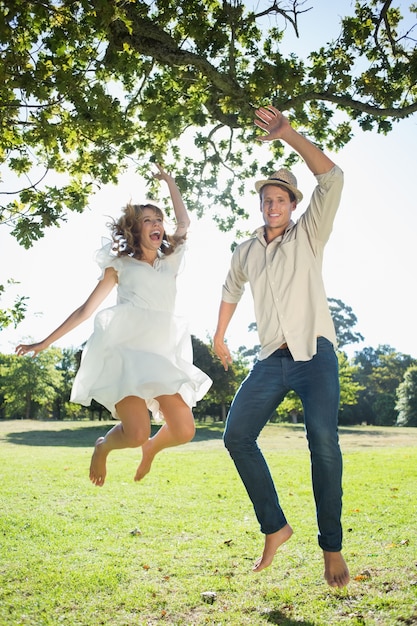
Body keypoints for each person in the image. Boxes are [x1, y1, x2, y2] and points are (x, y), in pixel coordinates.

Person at [213, 105, 350, 588]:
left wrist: (287, 133)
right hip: (271, 359)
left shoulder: (308, 235)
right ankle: (276, 527)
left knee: (322, 441)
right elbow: (230, 290)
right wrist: (219, 335)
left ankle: (331, 547)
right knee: (236, 436)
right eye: (266, 199)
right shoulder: (246, 250)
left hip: (315, 354)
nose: (272, 206)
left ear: (293, 204)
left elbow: (331, 178)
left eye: (280, 199)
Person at [16, 164, 212, 487]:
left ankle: (151, 449)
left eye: (159, 219)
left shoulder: (170, 263)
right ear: (135, 229)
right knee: (135, 432)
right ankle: (103, 446)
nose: (156, 224)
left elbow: (185, 221)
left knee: (185, 429)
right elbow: (84, 310)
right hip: (126, 354)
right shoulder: (120, 266)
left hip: (161, 357)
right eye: (147, 220)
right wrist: (44, 343)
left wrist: (170, 181)